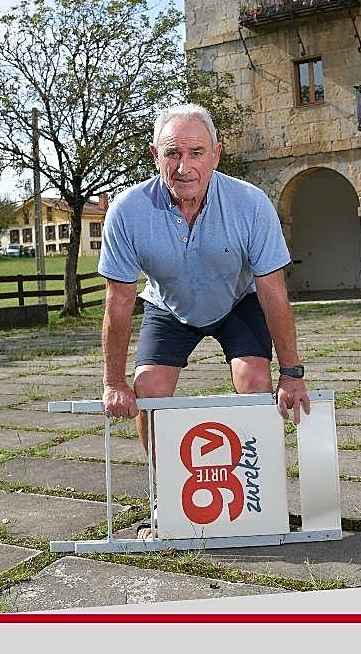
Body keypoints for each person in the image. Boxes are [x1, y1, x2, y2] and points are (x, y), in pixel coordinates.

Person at [97, 104, 310, 461]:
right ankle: (163, 483)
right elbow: (118, 301)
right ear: (155, 155)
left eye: (197, 153)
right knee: (149, 387)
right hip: (168, 305)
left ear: (216, 155)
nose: (185, 167)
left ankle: (255, 483)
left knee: (254, 381)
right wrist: (114, 382)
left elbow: (273, 292)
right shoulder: (127, 211)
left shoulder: (251, 204)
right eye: (172, 154)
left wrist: (291, 374)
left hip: (237, 302)